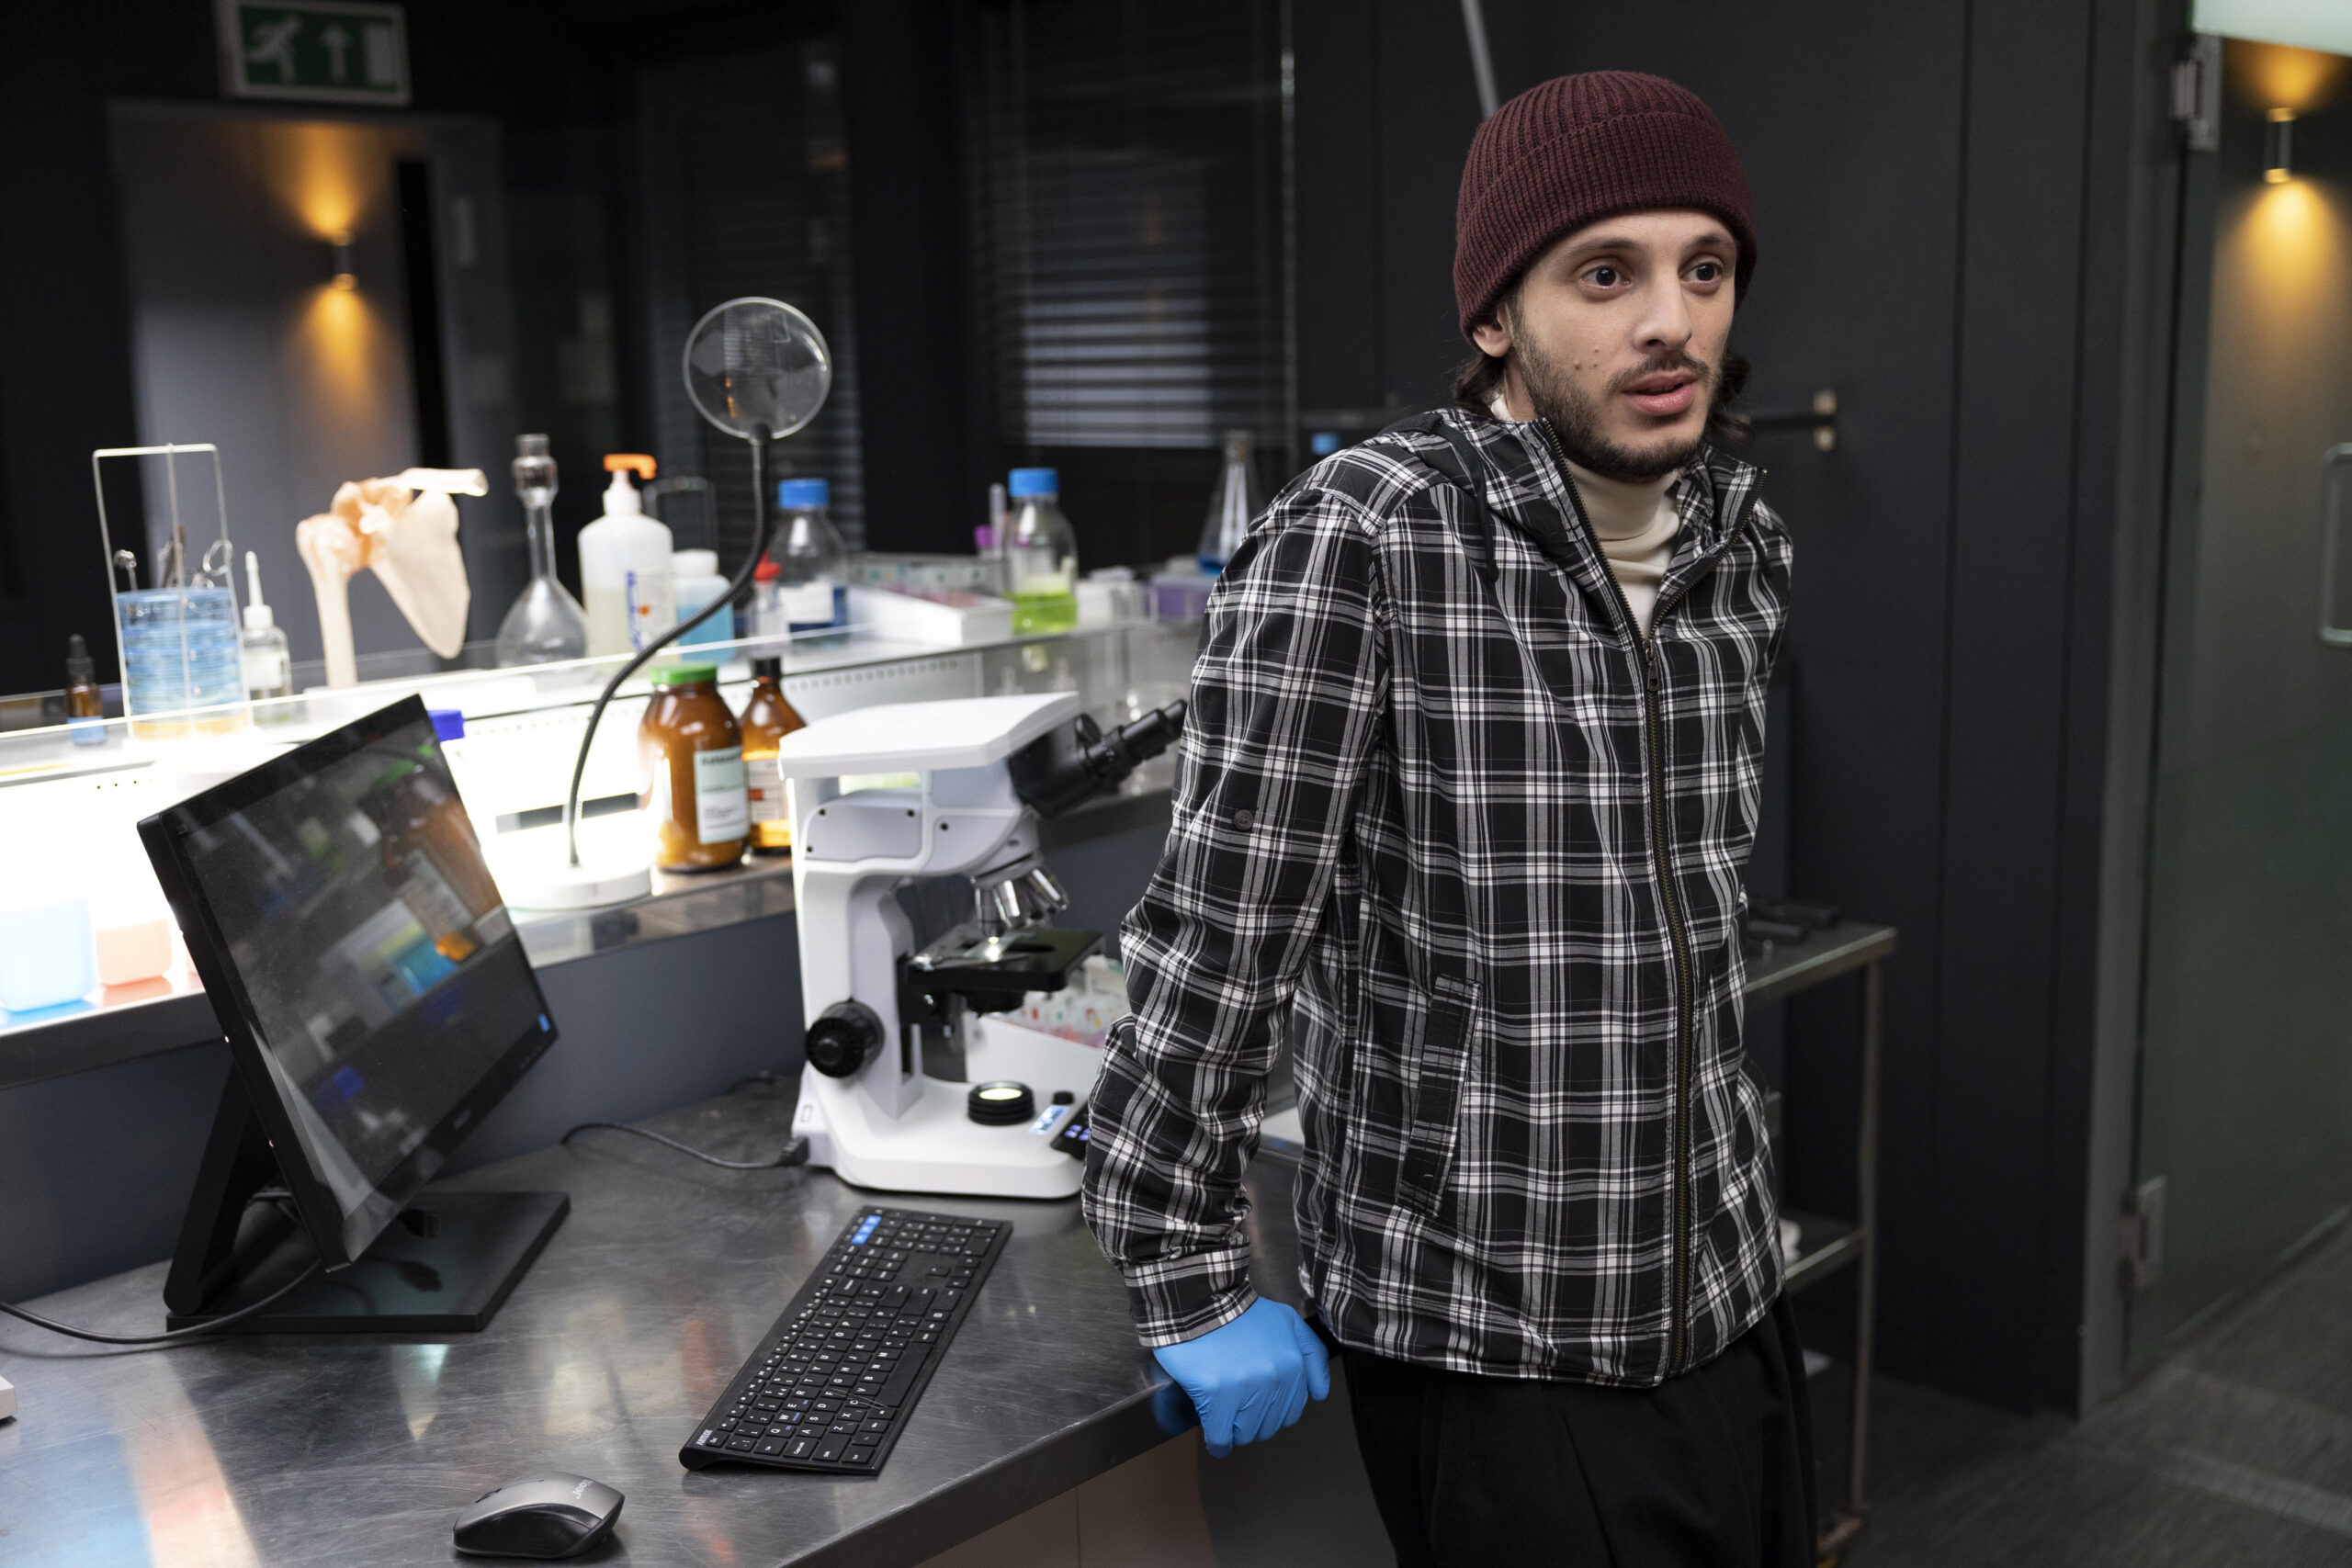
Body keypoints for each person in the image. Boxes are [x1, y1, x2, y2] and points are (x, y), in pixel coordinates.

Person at [1081, 71, 1813, 1565]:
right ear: (1494, 315)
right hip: (1495, 1341)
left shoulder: (1741, 542)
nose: (1670, 321)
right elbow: (1219, 940)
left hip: (1721, 1290)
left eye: (1704, 269)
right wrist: (1182, 1271)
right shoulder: (1364, 537)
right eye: (1604, 275)